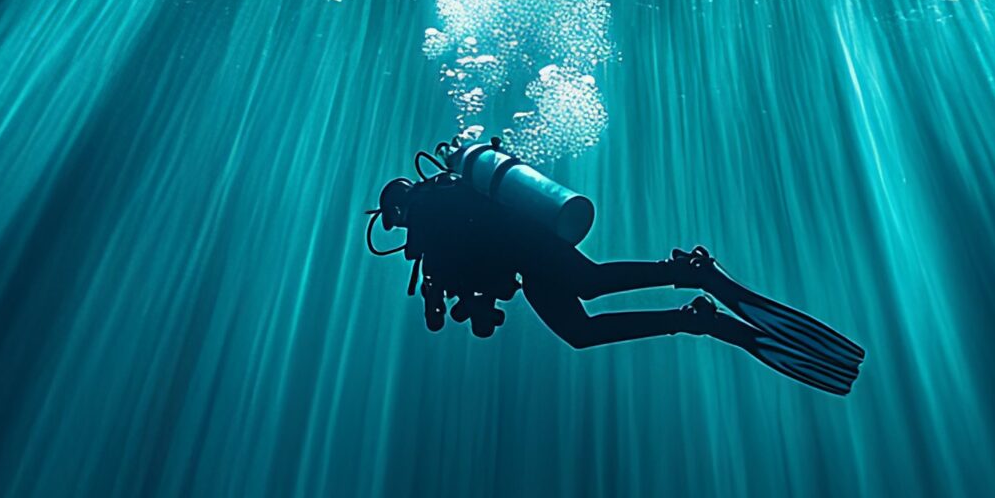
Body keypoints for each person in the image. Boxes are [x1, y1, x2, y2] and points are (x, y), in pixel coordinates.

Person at [366, 139, 863, 395]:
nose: (399, 228)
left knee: (591, 282)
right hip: (523, 253)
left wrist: (450, 296)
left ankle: (690, 277)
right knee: (580, 327)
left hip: (525, 247)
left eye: (394, 219)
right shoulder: (445, 201)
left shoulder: (430, 215)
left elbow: (463, 279)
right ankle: (692, 315)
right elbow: (479, 278)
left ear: (398, 207)